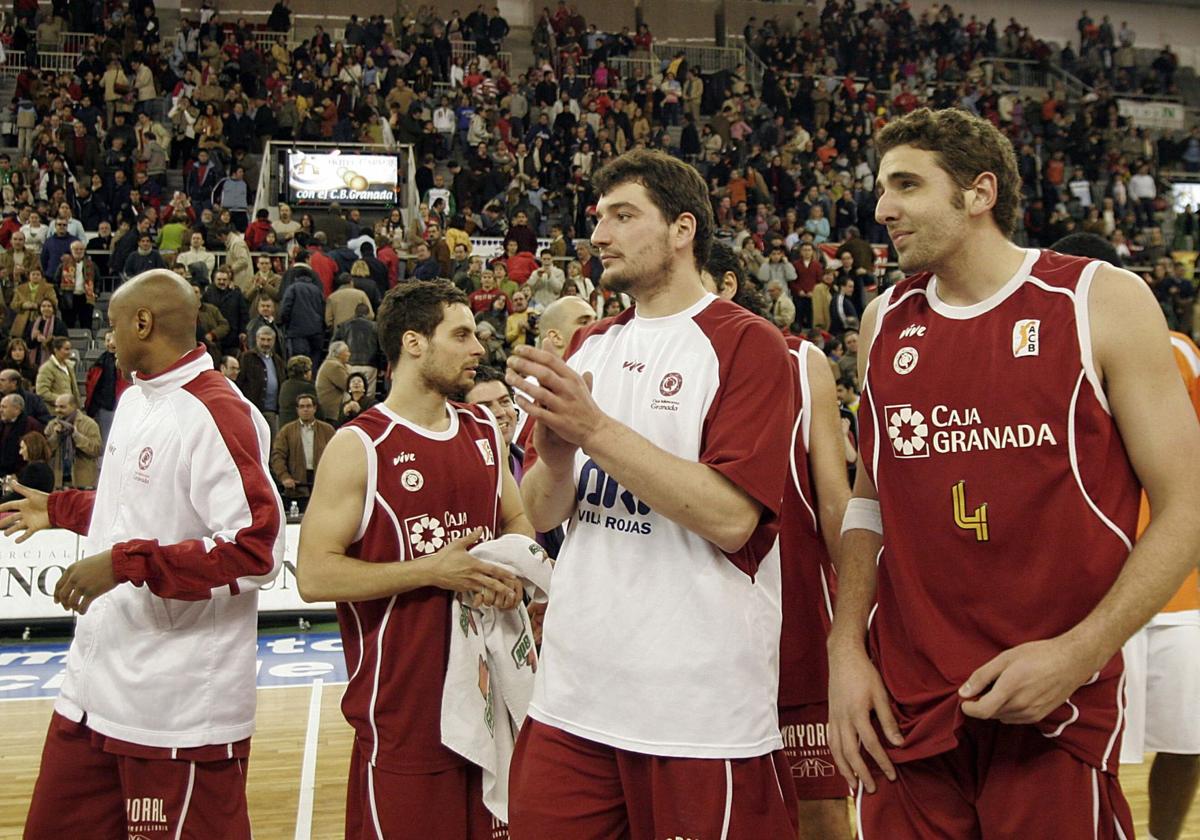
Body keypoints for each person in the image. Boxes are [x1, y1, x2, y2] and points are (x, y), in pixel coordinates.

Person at [827, 108, 1200, 839]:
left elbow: (1187, 506)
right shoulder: (883, 321)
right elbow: (870, 503)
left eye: (906, 185)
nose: (882, 209)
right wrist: (845, 649)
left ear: (979, 192)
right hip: (903, 706)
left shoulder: (1098, 300)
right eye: (881, 187)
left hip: (1050, 704)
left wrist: (1080, 653)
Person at [503, 149, 798, 838]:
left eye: (623, 216)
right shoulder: (586, 347)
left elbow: (730, 518)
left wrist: (594, 430)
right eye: (598, 218)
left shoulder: (748, 345)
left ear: (682, 229)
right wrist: (553, 454)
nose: (600, 234)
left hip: (697, 711)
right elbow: (543, 512)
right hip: (573, 696)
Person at [4, 268, 284, 840]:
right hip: (93, 690)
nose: (107, 337)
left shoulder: (217, 412)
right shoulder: (135, 399)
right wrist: (60, 509)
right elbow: (135, 504)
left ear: (143, 321)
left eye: (112, 325)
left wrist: (125, 562)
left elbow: (257, 549)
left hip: (176, 710)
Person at [296, 279, 531, 840]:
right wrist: (432, 570)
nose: (478, 348)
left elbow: (517, 522)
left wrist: (513, 575)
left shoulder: (482, 430)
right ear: (414, 343)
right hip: (405, 715)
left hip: (491, 702)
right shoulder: (359, 446)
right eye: (462, 334)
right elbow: (312, 574)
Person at [703, 240, 854, 837]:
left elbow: (834, 499)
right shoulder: (643, 362)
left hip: (795, 618)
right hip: (700, 623)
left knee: (819, 804)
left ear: (729, 285)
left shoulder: (798, 360)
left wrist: (859, 612)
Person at [1053, 232, 1200, 840]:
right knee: (1094, 746)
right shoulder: (1038, 350)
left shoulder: (1179, 352)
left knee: (1189, 737)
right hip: (1086, 587)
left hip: (1178, 587)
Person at [269, 393, 334, 512]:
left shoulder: (327, 430)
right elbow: (277, 456)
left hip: (322, 486)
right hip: (297, 486)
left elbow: (337, 456)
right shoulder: (286, 431)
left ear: (315, 408)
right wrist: (284, 477)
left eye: (308, 406)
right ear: (297, 409)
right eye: (302, 406)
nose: (305, 409)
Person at [44, 392, 102, 490]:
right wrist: (55, 436)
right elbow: (45, 452)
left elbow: (96, 450)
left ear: (73, 406)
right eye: (56, 407)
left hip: (83, 480)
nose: (57, 410)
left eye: (62, 407)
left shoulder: (89, 424)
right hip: (58, 480)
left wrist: (76, 435)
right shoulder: (51, 425)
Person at [237, 325, 286, 439]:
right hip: (252, 409)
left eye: (269, 340)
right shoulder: (247, 357)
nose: (265, 343)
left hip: (272, 411)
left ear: (273, 341)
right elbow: (239, 381)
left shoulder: (278, 360)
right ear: (257, 339)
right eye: (262, 339)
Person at [84, 331, 128, 442]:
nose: (110, 343)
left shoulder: (128, 362)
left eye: (113, 340)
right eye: (107, 340)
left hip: (124, 406)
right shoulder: (99, 363)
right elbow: (91, 386)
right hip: (106, 408)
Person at [0, 430, 54, 499]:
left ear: (31, 448)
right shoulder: (47, 469)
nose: (20, 452)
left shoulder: (34, 469)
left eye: (22, 448)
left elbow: (18, 496)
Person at [0, 394, 44, 476]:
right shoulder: (2, 423)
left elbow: (36, 453)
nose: (1, 410)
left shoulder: (32, 425)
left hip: (22, 474)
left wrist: (20, 474)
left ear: (17, 409)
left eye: (4, 407)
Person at [35, 336, 82, 406]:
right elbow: (42, 392)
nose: (69, 352)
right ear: (56, 350)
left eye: (70, 349)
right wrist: (63, 400)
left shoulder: (70, 366)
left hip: (70, 410)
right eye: (66, 349)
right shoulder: (46, 368)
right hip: (54, 412)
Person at [278, 354, 319, 427]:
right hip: (299, 428)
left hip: (284, 426)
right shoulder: (307, 387)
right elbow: (318, 411)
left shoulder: (285, 384)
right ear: (305, 373)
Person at [315, 341, 351, 420]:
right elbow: (348, 385)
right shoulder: (334, 366)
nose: (349, 354)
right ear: (339, 353)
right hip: (332, 411)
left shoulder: (332, 363)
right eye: (347, 351)